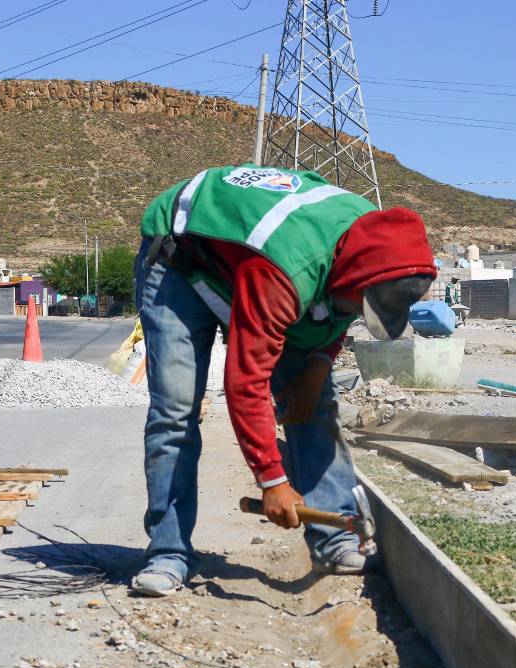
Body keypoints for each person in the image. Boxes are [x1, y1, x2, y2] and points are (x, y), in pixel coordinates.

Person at [131, 164, 436, 597]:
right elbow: (245, 381)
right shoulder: (288, 270)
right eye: (361, 302)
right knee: (176, 411)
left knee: (315, 404)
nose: (357, 314)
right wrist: (272, 480)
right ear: (350, 276)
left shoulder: (375, 243)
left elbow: (335, 312)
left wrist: (316, 367)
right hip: (180, 258)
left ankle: (335, 539)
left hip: (259, 267)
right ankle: (169, 553)